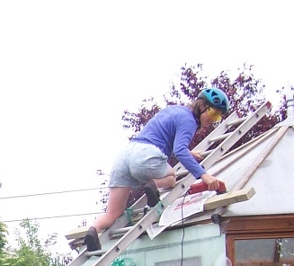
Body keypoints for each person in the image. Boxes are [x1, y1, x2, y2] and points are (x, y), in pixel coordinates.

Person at [83, 88, 230, 252]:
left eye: (217, 117)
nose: (213, 119)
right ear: (201, 106)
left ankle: (93, 230)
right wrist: (204, 175)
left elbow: (163, 137)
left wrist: (189, 153)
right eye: (212, 113)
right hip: (146, 157)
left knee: (113, 213)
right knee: (172, 178)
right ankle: (154, 184)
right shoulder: (189, 121)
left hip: (124, 156)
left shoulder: (174, 110)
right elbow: (179, 150)